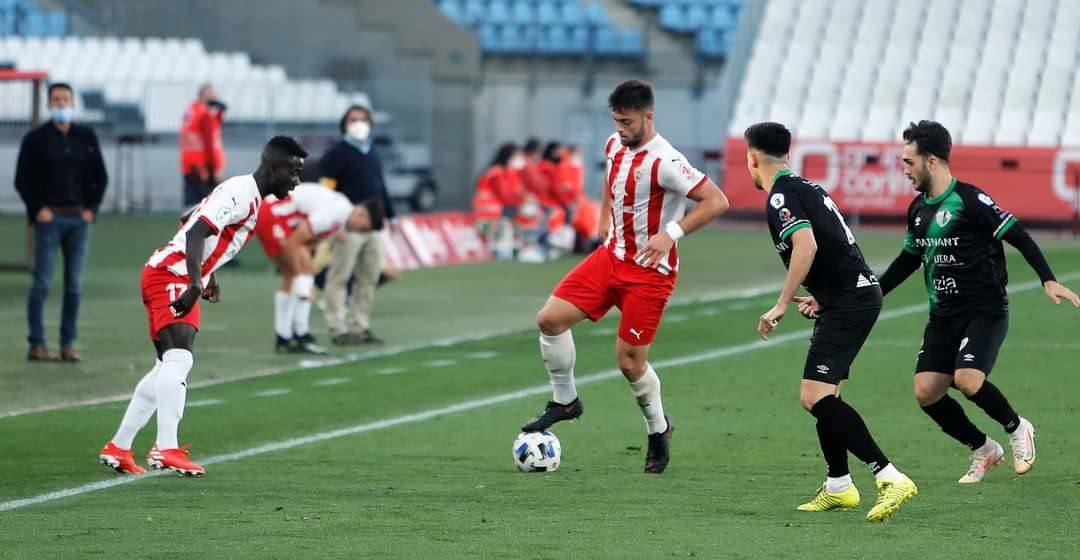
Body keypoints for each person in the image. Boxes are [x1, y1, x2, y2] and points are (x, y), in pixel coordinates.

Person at [519, 80, 730, 474]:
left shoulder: (666, 161)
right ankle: (565, 401)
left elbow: (717, 201)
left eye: (628, 122)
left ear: (648, 117)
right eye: (616, 120)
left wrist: (672, 234)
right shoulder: (615, 144)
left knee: (630, 364)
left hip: (650, 273)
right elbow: (609, 177)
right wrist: (602, 216)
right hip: (609, 258)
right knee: (549, 319)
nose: (621, 128)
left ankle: (658, 428)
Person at [873, 120, 1080, 483]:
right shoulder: (918, 211)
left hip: (985, 310)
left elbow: (1019, 236)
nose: (904, 169)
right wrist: (870, 294)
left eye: (909, 161)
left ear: (931, 161)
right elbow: (908, 260)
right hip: (943, 315)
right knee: (926, 392)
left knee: (967, 379)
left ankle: (1018, 428)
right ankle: (983, 448)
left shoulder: (970, 200)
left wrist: (1048, 279)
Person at [98, 136, 306, 477]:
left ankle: (120, 446)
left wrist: (206, 273)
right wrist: (196, 281)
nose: (296, 182)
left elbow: (188, 216)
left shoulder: (245, 194)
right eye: (294, 172)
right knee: (179, 359)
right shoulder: (242, 193)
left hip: (172, 272)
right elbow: (196, 231)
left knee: (165, 365)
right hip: (172, 275)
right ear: (275, 168)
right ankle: (166, 448)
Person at [746, 122, 917, 523]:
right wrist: (822, 296)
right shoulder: (808, 187)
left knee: (814, 396)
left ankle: (890, 476)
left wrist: (782, 303)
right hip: (850, 295)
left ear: (752, 158)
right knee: (827, 396)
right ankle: (839, 485)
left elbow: (808, 244)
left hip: (850, 300)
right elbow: (838, 246)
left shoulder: (781, 196)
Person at [15, 82, 108, 362]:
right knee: (42, 283)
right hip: (49, 218)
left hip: (79, 219)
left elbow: (100, 176)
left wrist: (92, 208)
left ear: (72, 103)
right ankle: (37, 342)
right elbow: (22, 180)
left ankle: (68, 343)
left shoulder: (86, 137)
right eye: (56, 100)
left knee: (74, 286)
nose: (60, 104)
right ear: (48, 104)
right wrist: (37, 209)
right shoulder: (35, 139)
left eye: (65, 99)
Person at [255, 182, 386, 354]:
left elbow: (309, 242)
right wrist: (303, 278)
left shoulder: (342, 214)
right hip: (273, 215)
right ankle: (299, 334)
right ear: (362, 215)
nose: (359, 233)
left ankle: (285, 337)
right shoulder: (334, 213)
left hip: (277, 215)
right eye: (362, 229)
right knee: (300, 277)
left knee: (295, 277)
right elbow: (297, 239)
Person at [319, 102, 396, 346]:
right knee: (340, 276)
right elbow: (326, 190)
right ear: (344, 124)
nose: (359, 124)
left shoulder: (372, 151)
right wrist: (334, 223)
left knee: (369, 276)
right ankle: (337, 327)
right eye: (353, 119)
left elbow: (380, 185)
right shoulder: (336, 155)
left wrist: (390, 214)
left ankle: (360, 325)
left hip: (372, 224)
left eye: (363, 119)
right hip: (348, 224)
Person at [473, 143, 525, 260]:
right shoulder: (496, 172)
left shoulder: (505, 171)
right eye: (516, 155)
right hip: (491, 214)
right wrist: (520, 203)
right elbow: (505, 195)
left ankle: (515, 247)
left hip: (496, 212)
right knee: (520, 219)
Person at [179, 83, 227, 208]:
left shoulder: (191, 110)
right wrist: (216, 167)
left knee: (190, 204)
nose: (216, 97)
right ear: (205, 95)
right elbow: (209, 143)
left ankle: (185, 228)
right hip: (203, 167)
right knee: (210, 206)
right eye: (213, 94)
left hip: (189, 165)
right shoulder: (205, 114)